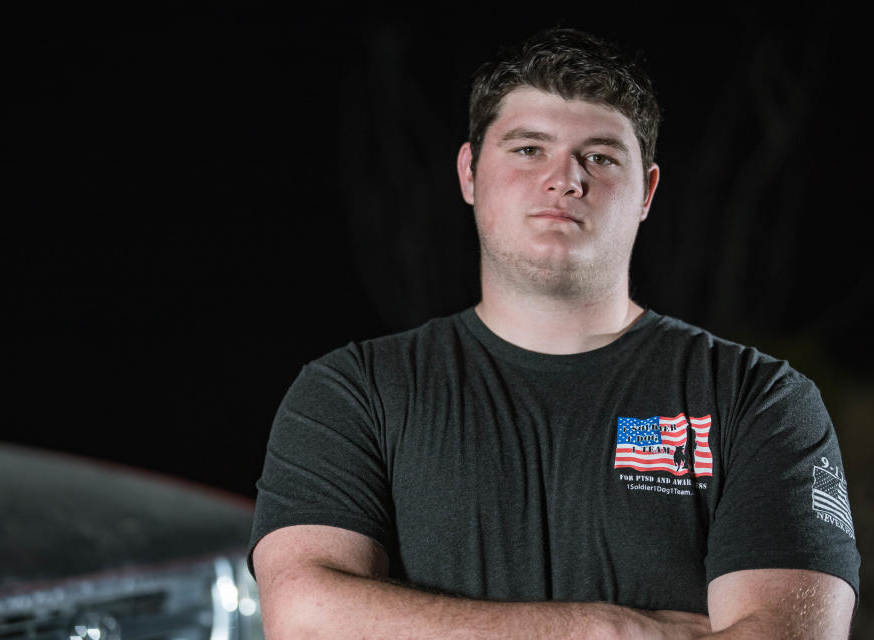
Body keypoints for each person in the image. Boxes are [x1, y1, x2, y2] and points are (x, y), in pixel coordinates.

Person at [249, 28, 860, 639]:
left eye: (599, 156)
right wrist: (607, 630)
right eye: (527, 149)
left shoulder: (758, 400)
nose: (565, 179)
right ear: (469, 172)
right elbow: (306, 620)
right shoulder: (353, 394)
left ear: (646, 192)